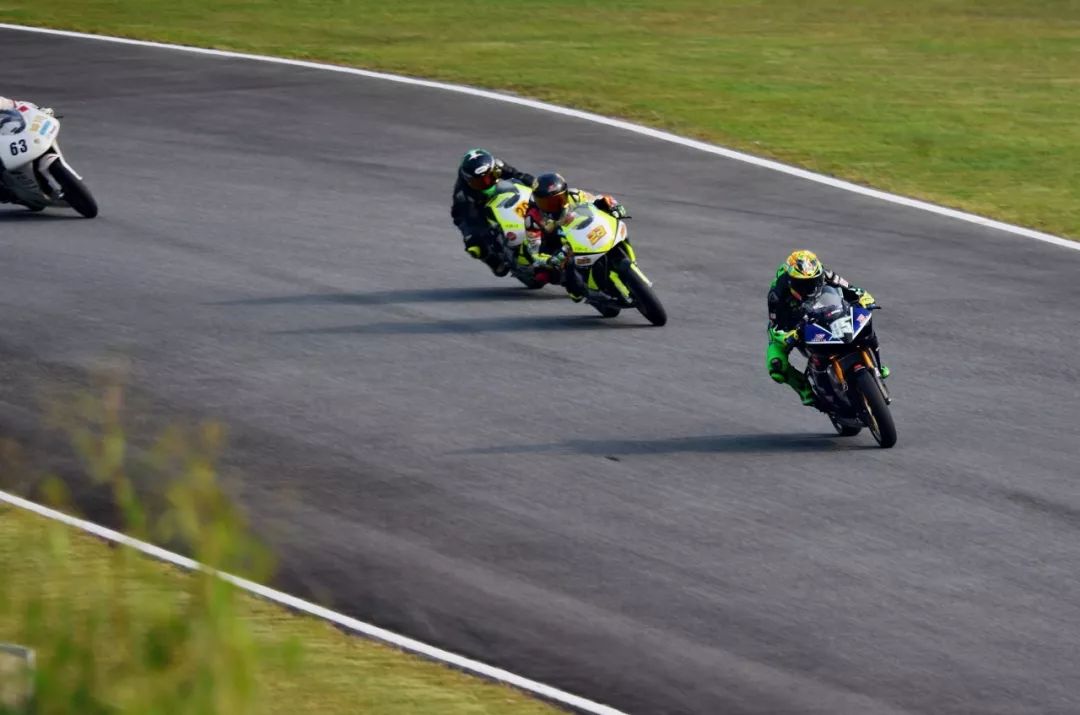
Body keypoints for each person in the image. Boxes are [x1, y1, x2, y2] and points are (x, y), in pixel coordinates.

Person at [767, 249, 889, 406]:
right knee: (776, 365)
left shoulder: (825, 274)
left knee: (864, 323)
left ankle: (878, 365)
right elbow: (775, 328)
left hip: (825, 310)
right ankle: (805, 390)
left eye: (813, 281)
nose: (809, 287)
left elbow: (852, 289)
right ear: (791, 282)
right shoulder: (777, 295)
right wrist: (789, 335)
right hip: (794, 321)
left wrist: (865, 300)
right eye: (802, 285)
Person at [524, 172, 627, 299]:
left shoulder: (575, 195)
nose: (553, 206)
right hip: (556, 247)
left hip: (583, 231)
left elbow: (599, 199)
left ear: (565, 193)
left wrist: (614, 205)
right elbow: (534, 253)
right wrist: (550, 260)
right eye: (546, 203)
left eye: (558, 200)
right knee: (545, 276)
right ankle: (582, 289)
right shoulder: (533, 218)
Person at [451, 148, 536, 276]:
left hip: (499, 194)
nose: (486, 183)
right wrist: (474, 234)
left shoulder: (497, 165)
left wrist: (534, 183)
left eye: (489, 178)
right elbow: (467, 220)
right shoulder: (462, 195)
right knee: (474, 245)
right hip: (473, 209)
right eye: (479, 182)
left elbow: (517, 175)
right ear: (469, 181)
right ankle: (491, 261)